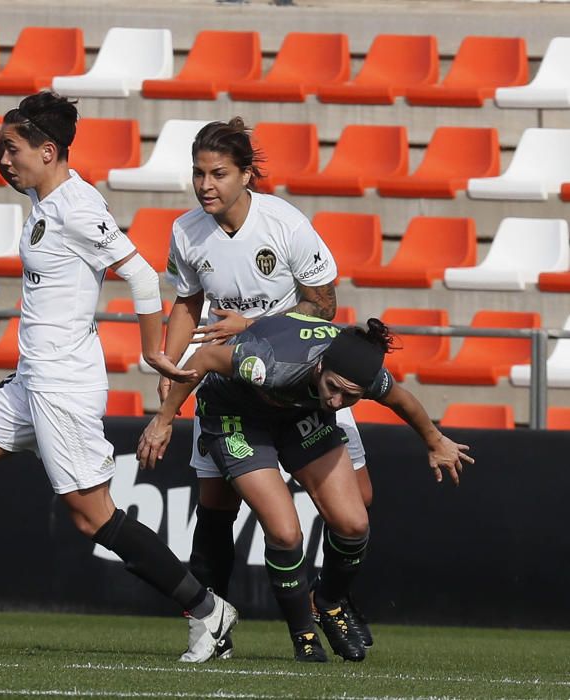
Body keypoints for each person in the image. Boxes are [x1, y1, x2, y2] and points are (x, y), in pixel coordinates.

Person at [0, 91, 238, 663]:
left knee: (94, 518)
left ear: (49, 150)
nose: (5, 161)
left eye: (13, 151)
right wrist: (0, 141)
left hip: (63, 386)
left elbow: (137, 274)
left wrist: (151, 352)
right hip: (31, 379)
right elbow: (14, 158)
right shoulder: (43, 190)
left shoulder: (78, 206)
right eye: (2, 151)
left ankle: (209, 611)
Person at [139, 315, 473, 662]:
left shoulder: (359, 375)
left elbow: (401, 399)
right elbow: (205, 357)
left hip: (297, 416)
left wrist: (435, 441)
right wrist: (164, 419)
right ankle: (304, 635)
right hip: (235, 415)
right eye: (334, 387)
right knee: (285, 533)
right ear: (320, 365)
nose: (338, 401)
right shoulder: (270, 365)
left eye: (350, 396)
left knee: (353, 524)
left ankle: (327, 601)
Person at [160, 118, 375, 653]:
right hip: (233, 386)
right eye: (198, 174)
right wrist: (171, 363)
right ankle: (212, 627)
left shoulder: (284, 224)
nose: (206, 185)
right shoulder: (186, 231)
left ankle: (334, 598)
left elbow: (324, 306)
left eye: (219, 174)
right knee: (215, 503)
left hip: (303, 380)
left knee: (358, 502)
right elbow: (187, 303)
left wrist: (254, 328)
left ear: (246, 175)